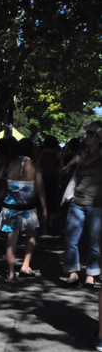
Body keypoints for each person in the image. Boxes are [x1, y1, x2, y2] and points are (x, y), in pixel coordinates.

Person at [0, 137, 47, 280]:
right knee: (31, 236)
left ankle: (11, 271)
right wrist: (44, 208)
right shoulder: (35, 166)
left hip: (10, 206)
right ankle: (25, 265)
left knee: (11, 239)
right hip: (28, 207)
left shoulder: (9, 163)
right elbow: (40, 189)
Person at [62, 122, 102, 288]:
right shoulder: (82, 154)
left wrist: (99, 130)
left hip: (96, 205)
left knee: (94, 241)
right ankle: (73, 273)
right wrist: (72, 163)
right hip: (76, 202)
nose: (87, 136)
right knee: (71, 239)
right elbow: (63, 172)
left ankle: (91, 274)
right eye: (87, 134)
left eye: (91, 134)